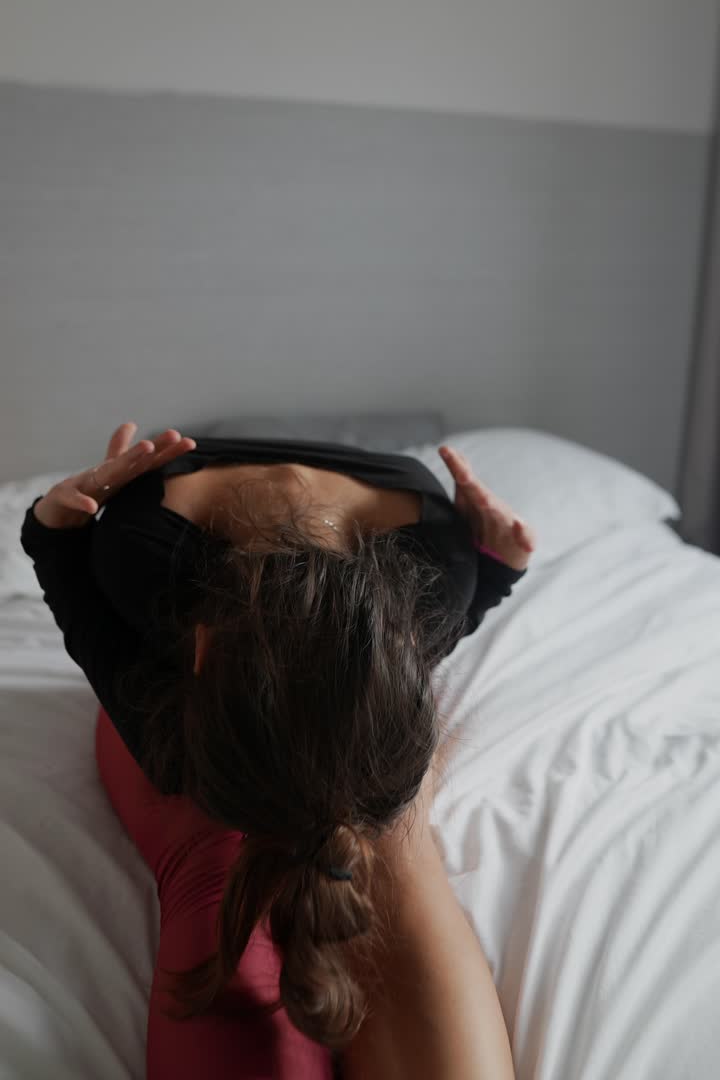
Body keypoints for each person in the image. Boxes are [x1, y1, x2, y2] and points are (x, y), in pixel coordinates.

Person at [21, 422, 534, 1079]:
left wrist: (53, 525)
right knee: (391, 847)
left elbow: (68, 583)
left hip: (226, 706)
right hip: (348, 700)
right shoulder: (437, 576)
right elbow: (431, 629)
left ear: (201, 649)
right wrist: (497, 568)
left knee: (237, 853)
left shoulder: (152, 602)